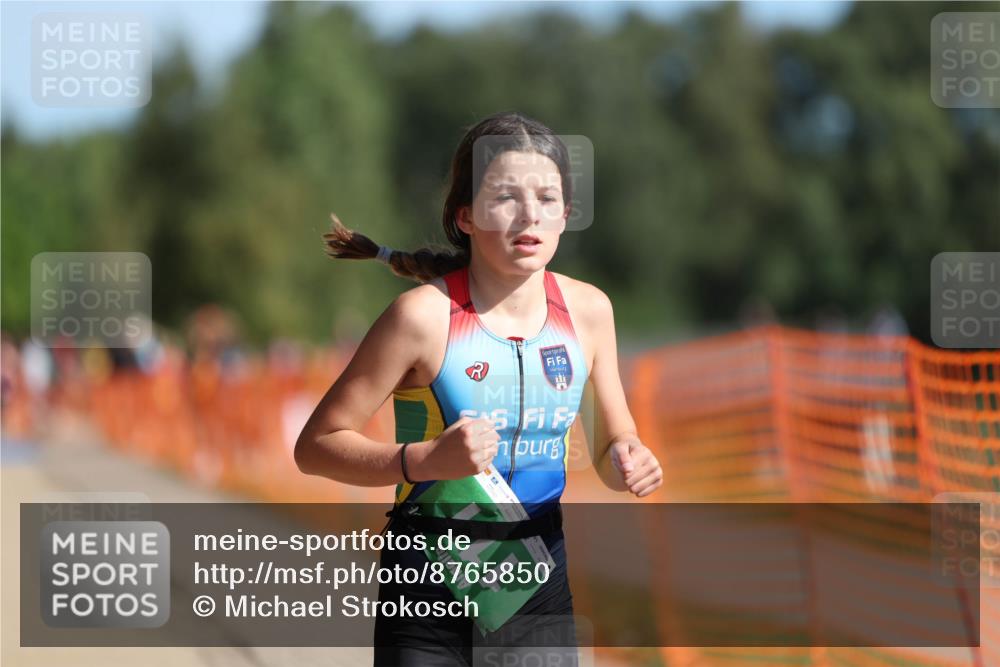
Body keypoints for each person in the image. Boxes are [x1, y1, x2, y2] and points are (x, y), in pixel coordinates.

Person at [294, 111, 662, 666]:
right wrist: (423, 460)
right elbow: (315, 445)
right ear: (464, 216)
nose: (528, 215)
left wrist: (630, 461)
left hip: (534, 576)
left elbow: (614, 447)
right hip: (427, 578)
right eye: (505, 196)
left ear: (567, 213)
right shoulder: (421, 318)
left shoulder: (589, 311)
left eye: (546, 197)